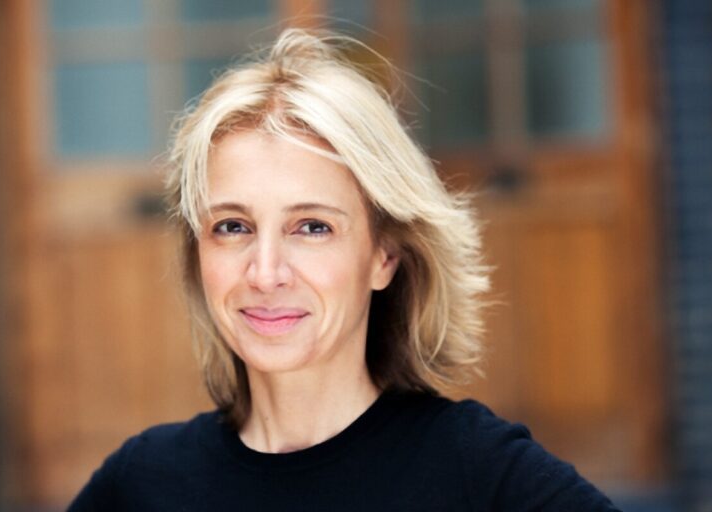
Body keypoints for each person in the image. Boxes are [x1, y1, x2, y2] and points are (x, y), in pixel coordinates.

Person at [69, 28, 619, 511]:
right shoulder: (144, 483)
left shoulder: (477, 472)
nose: (265, 273)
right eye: (232, 226)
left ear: (384, 256)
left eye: (312, 227)